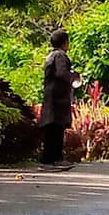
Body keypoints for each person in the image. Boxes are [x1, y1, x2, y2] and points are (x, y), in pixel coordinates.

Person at [39, 29, 79, 171]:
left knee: (52, 128)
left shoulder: (51, 56)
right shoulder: (61, 56)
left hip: (50, 97)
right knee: (56, 128)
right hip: (57, 98)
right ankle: (54, 159)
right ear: (64, 42)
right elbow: (62, 73)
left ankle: (49, 159)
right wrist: (73, 77)